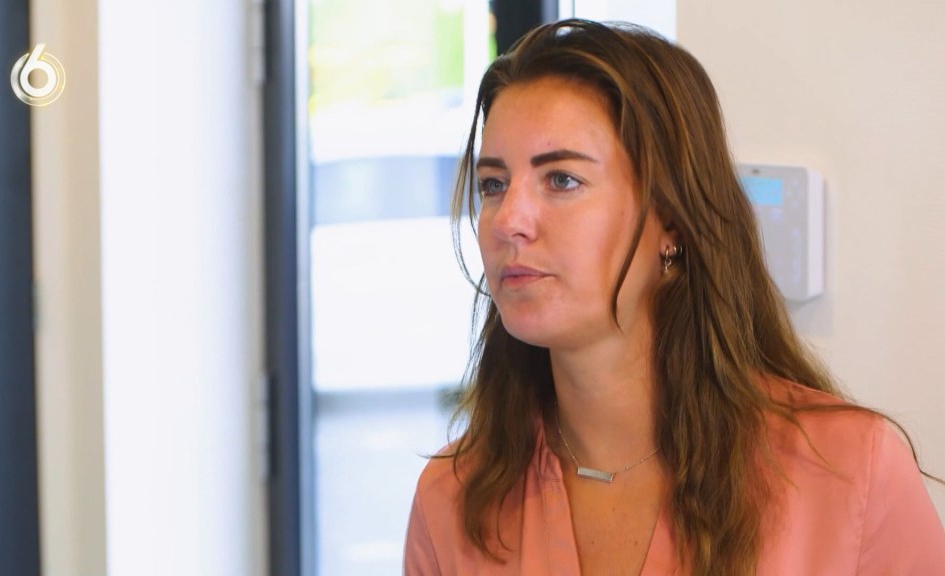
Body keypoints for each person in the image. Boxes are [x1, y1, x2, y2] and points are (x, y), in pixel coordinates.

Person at [403, 18, 945, 575]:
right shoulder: (451, 500)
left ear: (671, 220)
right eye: (493, 184)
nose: (508, 220)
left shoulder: (849, 473)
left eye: (561, 179)